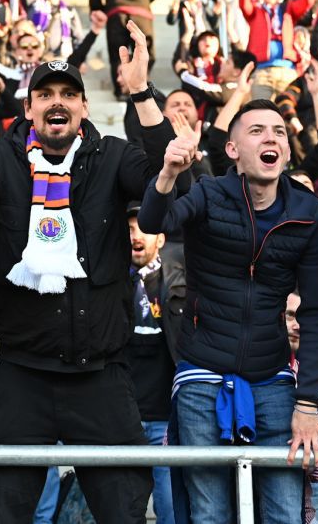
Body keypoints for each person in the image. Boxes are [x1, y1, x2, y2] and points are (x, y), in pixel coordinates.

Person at [0, 25, 165, 524]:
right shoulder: (1, 156)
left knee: (124, 510)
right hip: (21, 375)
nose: (57, 102)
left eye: (68, 94)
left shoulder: (113, 156)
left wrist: (141, 91)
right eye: (45, 94)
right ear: (29, 108)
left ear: (84, 107)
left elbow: (169, 185)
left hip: (101, 376)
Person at [139, 97, 318, 524]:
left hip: (273, 376)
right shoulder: (208, 193)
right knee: (210, 512)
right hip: (202, 371)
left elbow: (317, 313)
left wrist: (307, 403)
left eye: (279, 132)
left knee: (284, 512)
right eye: (257, 131)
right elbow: (156, 222)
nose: (271, 138)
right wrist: (169, 172)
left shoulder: (308, 213)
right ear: (232, 150)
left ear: (287, 150)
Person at [124, 200, 175, 524]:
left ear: (162, 238)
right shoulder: (110, 285)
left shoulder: (178, 285)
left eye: (144, 228)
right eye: (130, 229)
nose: (136, 235)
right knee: (121, 512)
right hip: (122, 420)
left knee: (170, 511)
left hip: (165, 420)